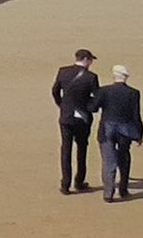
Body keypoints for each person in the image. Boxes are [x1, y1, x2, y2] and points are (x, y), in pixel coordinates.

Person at [91, 64, 143, 202]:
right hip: (125, 130)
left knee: (108, 161)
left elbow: (93, 107)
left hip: (107, 129)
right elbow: (136, 115)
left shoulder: (104, 91)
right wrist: (139, 134)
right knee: (124, 158)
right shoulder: (133, 93)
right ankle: (123, 189)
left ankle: (108, 193)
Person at [51, 48, 99, 194]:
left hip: (66, 116)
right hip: (83, 118)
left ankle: (65, 184)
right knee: (82, 148)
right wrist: (89, 106)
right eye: (90, 60)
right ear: (85, 59)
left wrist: (62, 104)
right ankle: (79, 181)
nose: (91, 63)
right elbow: (96, 98)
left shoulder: (63, 71)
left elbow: (55, 91)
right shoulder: (91, 77)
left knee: (66, 149)